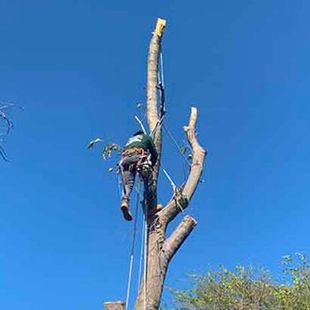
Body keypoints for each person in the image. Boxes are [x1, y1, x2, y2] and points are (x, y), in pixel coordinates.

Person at [119, 130, 158, 221]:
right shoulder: (146, 137)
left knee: (127, 184)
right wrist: (152, 164)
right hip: (138, 157)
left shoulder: (129, 140)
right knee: (149, 181)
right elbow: (154, 153)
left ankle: (125, 202)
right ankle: (152, 207)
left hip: (124, 160)